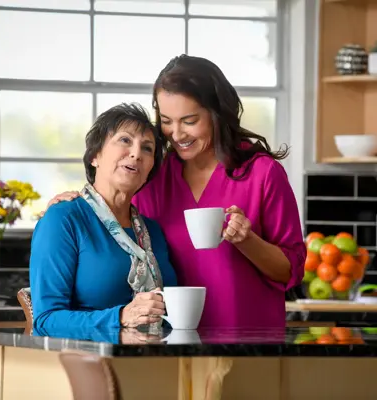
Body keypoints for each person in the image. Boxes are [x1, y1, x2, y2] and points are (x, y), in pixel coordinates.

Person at [42, 55, 306, 329]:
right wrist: (73, 204)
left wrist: (247, 240)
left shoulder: (262, 174)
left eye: (189, 120)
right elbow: (114, 213)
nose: (176, 134)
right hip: (170, 344)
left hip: (250, 340)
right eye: (166, 120)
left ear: (217, 113)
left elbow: (291, 271)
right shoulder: (154, 176)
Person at [30, 103, 177, 337]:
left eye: (147, 148)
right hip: (87, 363)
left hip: (158, 361)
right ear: (95, 156)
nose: (136, 153)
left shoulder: (154, 232)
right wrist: (120, 317)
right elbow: (46, 320)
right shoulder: (63, 219)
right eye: (125, 140)